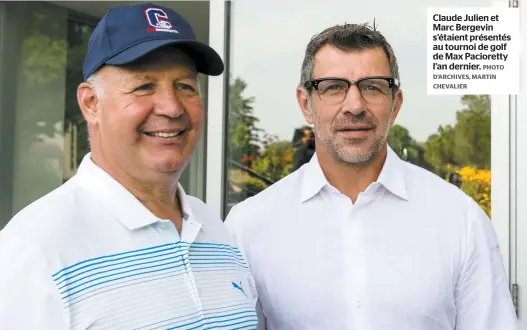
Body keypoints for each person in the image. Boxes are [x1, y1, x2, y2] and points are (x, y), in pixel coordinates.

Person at [224, 22, 517, 330]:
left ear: (395, 104)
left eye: (372, 86)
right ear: (305, 104)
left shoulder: (461, 220)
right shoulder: (248, 227)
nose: (355, 105)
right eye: (334, 87)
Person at [0, 3, 258, 329]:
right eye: (143, 86)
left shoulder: (214, 228)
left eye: (185, 86)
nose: (171, 106)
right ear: (91, 104)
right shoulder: (35, 250)